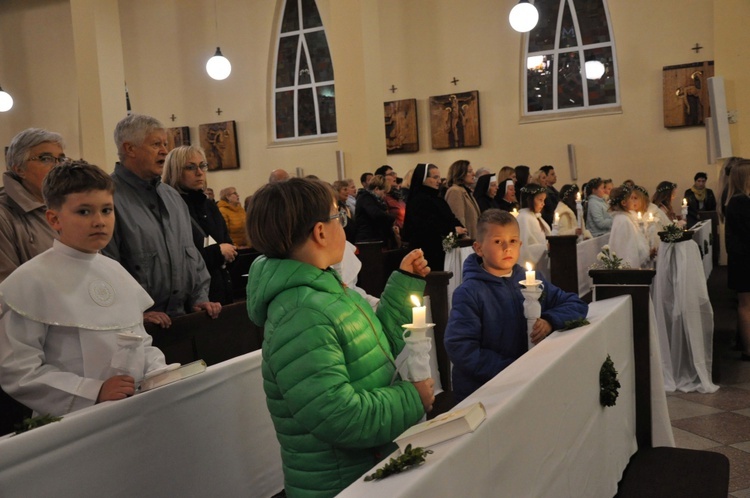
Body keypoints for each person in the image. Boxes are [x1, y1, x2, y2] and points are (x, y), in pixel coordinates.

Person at [245, 177, 435, 497]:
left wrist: (404, 282)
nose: (343, 226)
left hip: (367, 470)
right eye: (339, 216)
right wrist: (412, 397)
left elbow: (380, 346)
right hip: (340, 484)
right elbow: (339, 416)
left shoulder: (326, 289)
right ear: (320, 232)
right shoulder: (301, 314)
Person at [0, 161, 168, 417]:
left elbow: (140, 343)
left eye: (106, 210)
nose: (99, 221)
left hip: (133, 409)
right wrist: (92, 391)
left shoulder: (116, 272)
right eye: (84, 212)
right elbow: (20, 371)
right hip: (73, 419)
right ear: (54, 218)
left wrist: (159, 372)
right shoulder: (30, 281)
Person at [444, 209, 588, 402]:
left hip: (526, 383)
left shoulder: (532, 280)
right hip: (485, 392)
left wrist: (550, 320)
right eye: (497, 241)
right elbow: (461, 347)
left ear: (520, 244)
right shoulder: (469, 292)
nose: (507, 248)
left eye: (512, 241)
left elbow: (576, 304)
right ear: (478, 248)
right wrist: (514, 369)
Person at [103, 114, 219, 326]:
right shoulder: (107, 198)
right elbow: (106, 268)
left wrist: (200, 298)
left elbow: (191, 255)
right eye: (156, 144)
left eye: (165, 144)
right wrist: (134, 313)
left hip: (183, 319)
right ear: (129, 148)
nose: (165, 151)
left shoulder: (173, 197)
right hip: (138, 327)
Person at [163, 146, 237, 305]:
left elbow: (227, 243)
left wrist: (222, 251)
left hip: (222, 286)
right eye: (190, 167)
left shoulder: (209, 205)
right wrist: (218, 252)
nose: (199, 172)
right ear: (175, 171)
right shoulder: (173, 207)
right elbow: (186, 254)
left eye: (202, 165)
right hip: (195, 297)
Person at [0, 128, 67, 283]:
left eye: (61, 159)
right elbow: (7, 285)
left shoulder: (69, 204)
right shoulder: (4, 214)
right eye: (45, 158)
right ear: (19, 169)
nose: (58, 167)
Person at [404, 163, 467, 271]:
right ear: (423, 179)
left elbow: (450, 218)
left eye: (439, 177)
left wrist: (460, 228)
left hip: (442, 250)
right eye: (435, 177)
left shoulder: (437, 199)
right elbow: (427, 226)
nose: (439, 181)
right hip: (427, 253)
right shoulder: (418, 201)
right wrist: (453, 230)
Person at [725, 159, 750, 360]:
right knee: (745, 304)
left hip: (742, 257)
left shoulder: (737, 200)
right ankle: (748, 349)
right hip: (744, 259)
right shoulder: (740, 202)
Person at [608, 186, 653, 268]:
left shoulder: (626, 218)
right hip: (627, 270)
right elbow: (628, 251)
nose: (634, 201)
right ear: (624, 203)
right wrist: (646, 254)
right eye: (631, 198)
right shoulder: (623, 221)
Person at [355, 175, 399, 248]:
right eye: (384, 192)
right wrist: (392, 218)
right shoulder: (365, 198)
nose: (384, 196)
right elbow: (376, 214)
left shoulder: (372, 199)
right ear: (376, 189)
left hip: (374, 238)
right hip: (368, 239)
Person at [516, 183, 551, 277]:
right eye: (540, 200)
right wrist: (545, 247)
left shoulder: (535, 217)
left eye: (544, 200)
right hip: (531, 267)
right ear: (529, 200)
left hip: (541, 262)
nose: (543, 204)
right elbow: (524, 249)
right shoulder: (524, 218)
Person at [445, 160, 481, 238]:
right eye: (469, 171)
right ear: (460, 174)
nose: (474, 174)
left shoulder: (466, 191)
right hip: (467, 243)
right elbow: (459, 220)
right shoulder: (455, 191)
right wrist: (466, 240)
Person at [332, 179, 357, 243]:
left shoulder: (345, 206)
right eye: (345, 190)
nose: (347, 192)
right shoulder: (337, 207)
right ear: (337, 191)